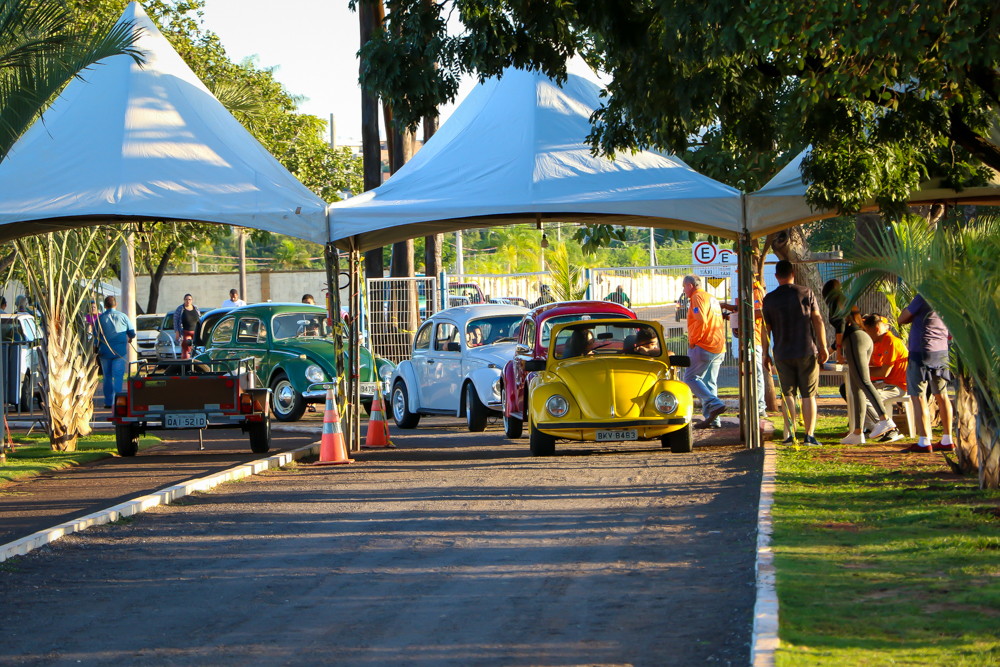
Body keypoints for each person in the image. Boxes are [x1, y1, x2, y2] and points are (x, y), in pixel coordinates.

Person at [761, 261, 829, 446]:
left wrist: (765, 353)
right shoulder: (806, 292)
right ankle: (809, 436)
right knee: (808, 395)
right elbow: (818, 320)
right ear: (793, 273)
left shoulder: (769, 299)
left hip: (782, 353)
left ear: (776, 276)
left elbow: (765, 328)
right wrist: (823, 346)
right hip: (806, 350)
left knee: (788, 394)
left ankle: (791, 435)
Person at [822, 280, 896, 445]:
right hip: (863, 339)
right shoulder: (848, 302)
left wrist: (839, 352)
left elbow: (841, 326)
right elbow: (846, 328)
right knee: (856, 388)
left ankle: (885, 419)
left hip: (855, 342)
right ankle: (857, 432)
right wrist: (831, 350)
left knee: (863, 381)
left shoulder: (835, 304)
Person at [898, 293, 953, 453]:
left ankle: (924, 441)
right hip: (941, 351)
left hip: (921, 351)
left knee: (918, 397)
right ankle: (947, 439)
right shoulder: (947, 298)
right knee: (942, 396)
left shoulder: (923, 296)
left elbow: (902, 318)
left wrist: (910, 313)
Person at [682, 274, 727, 428]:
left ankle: (715, 403)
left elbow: (700, 320)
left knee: (689, 378)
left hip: (703, 345)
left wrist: (694, 340)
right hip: (718, 345)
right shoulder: (710, 297)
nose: (684, 290)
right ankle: (713, 420)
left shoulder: (697, 297)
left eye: (684, 286)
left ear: (690, 286)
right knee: (709, 382)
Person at [721, 278, 767, 418]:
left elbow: (758, 312)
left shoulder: (756, 291)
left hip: (754, 339)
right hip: (745, 338)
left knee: (757, 373)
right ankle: (749, 407)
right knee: (747, 374)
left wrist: (737, 315)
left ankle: (759, 407)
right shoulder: (746, 292)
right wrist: (727, 311)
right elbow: (741, 309)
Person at [858, 314, 907, 443]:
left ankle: (891, 430)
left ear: (877, 330)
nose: (865, 336)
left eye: (867, 332)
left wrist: (861, 369)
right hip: (887, 383)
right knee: (853, 391)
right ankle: (870, 428)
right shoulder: (880, 342)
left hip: (899, 385)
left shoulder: (890, 341)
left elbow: (884, 372)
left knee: (866, 398)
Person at [95, 296, 135, 409]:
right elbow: (132, 332)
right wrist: (129, 338)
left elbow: (95, 337)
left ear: (105, 306)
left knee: (107, 377)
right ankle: (117, 402)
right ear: (116, 304)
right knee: (118, 376)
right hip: (120, 352)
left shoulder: (100, 318)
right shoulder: (123, 316)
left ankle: (108, 402)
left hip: (105, 352)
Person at [173, 294, 201, 360]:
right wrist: (177, 332)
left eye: (189, 299)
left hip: (195, 332)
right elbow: (175, 320)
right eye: (186, 299)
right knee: (186, 348)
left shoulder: (195, 308)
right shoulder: (180, 308)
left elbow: (200, 318)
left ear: (192, 300)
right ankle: (186, 365)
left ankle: (195, 365)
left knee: (195, 349)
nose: (188, 301)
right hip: (185, 331)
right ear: (184, 300)